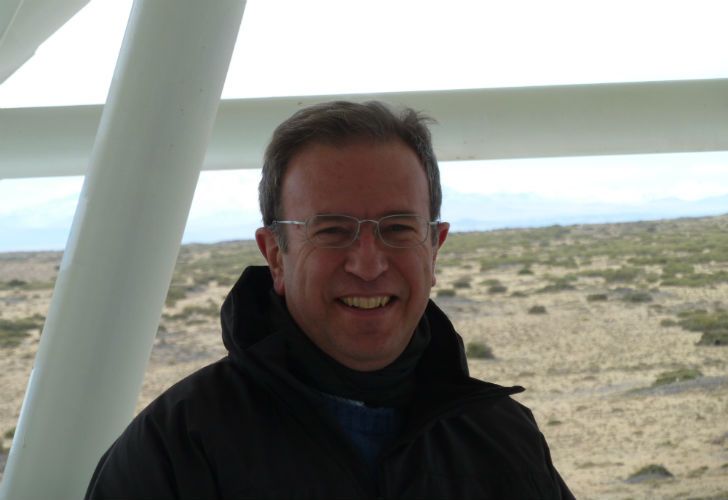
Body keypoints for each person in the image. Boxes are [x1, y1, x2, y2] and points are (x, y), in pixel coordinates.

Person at [85, 100, 574, 499]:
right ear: (276, 256)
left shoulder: (501, 436)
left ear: (434, 248)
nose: (368, 264)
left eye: (398, 229)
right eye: (333, 230)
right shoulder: (175, 452)